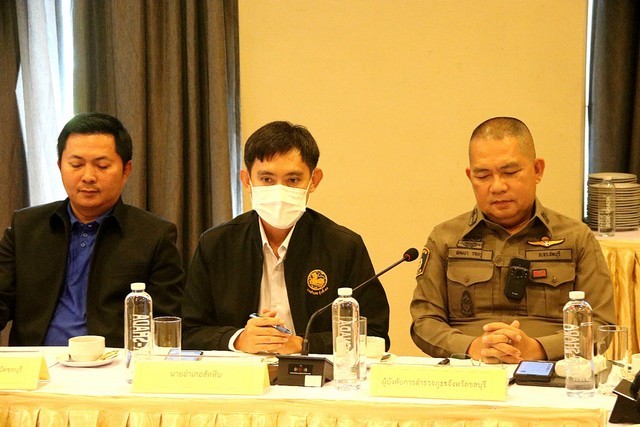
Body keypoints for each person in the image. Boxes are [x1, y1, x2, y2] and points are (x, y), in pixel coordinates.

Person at [410, 116, 615, 364]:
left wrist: (537, 349)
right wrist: (472, 347)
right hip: (469, 371)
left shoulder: (576, 238)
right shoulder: (445, 237)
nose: (497, 187)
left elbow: (601, 326)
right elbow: (424, 321)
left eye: (510, 172)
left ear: (537, 170)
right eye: (483, 176)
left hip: (550, 371)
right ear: (470, 176)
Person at [182, 120, 390, 354]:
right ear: (247, 181)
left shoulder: (344, 246)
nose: (279, 191)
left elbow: (374, 334)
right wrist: (238, 339)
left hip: (316, 373)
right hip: (240, 372)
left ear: (314, 181)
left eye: (292, 180)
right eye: (267, 179)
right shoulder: (216, 244)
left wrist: (303, 344)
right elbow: (189, 331)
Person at [0, 113, 184, 347]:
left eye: (102, 166)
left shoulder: (154, 235)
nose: (88, 177)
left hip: (114, 364)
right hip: (37, 365)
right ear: (60, 166)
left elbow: (166, 323)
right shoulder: (26, 227)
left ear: (126, 170)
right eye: (76, 165)